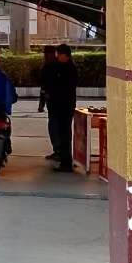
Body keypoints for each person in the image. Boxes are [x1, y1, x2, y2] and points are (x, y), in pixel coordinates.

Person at [42, 44, 80, 172]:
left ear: (65, 55)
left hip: (64, 106)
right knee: (61, 132)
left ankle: (66, 162)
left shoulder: (69, 69)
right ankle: (63, 158)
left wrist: (52, 92)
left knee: (64, 134)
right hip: (59, 105)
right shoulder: (59, 66)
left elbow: (63, 88)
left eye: (58, 54)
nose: (57, 57)